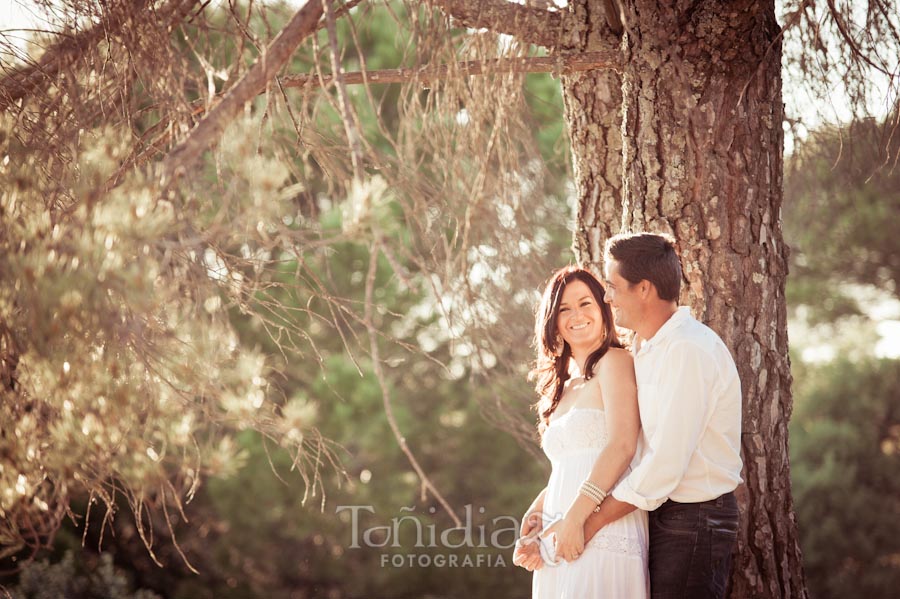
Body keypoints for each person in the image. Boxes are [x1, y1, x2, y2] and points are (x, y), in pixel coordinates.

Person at [582, 232, 743, 599]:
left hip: (695, 520)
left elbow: (666, 463)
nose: (607, 297)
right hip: (659, 514)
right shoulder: (644, 348)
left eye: (613, 286)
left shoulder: (687, 349)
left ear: (644, 289)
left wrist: (593, 521)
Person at [513, 266, 650, 598]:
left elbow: (621, 447)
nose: (576, 315)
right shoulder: (560, 388)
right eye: (564, 308)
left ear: (603, 308)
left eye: (585, 303)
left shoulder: (616, 362)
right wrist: (538, 513)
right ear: (553, 320)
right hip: (560, 530)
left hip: (602, 524)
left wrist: (576, 519)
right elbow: (570, 466)